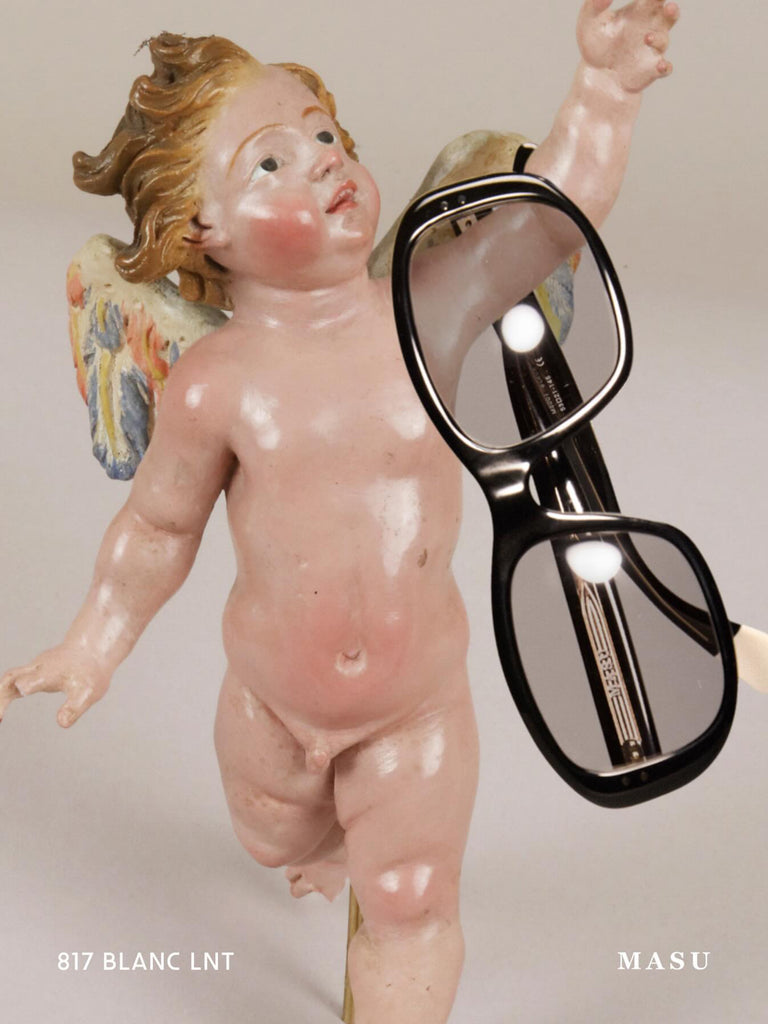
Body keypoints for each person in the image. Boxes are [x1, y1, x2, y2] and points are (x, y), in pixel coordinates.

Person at [0, 4, 680, 1021]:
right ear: (202, 230)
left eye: (324, 134)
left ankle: (384, 902)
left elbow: (552, 212)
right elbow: (158, 528)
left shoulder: (427, 308)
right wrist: (93, 642)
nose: (321, 158)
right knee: (272, 836)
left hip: (417, 706)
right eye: (270, 162)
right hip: (268, 709)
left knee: (411, 896)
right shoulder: (216, 382)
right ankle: (318, 842)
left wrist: (604, 90)